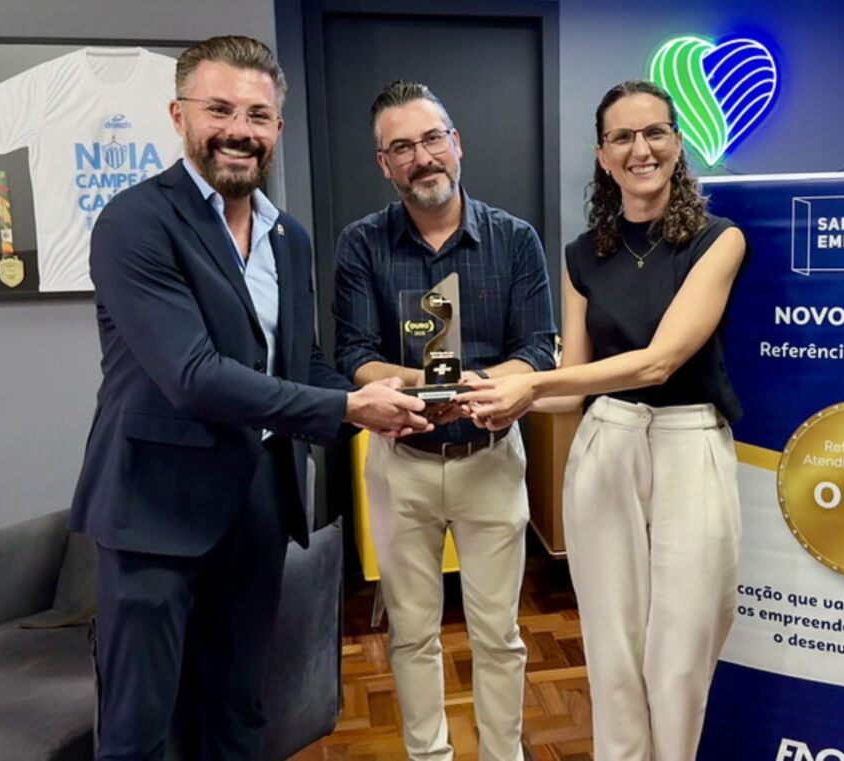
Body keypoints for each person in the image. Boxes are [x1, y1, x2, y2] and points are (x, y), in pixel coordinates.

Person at [68, 36, 430, 760]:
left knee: (240, 709)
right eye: (220, 109)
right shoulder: (134, 223)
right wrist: (346, 410)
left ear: (278, 128)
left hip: (259, 501)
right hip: (155, 512)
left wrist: (388, 397)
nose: (239, 130)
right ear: (179, 115)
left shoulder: (288, 237)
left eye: (258, 115)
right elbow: (193, 375)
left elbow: (303, 363)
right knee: (140, 729)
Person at [456, 80, 748, 760]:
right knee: (612, 651)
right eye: (622, 137)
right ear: (602, 155)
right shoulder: (583, 254)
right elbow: (570, 389)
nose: (640, 149)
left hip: (690, 445)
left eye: (654, 133)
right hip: (605, 445)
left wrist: (532, 383)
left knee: (681, 650)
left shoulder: (718, 241)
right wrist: (482, 389)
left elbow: (659, 362)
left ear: (677, 143)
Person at [332, 80, 557, 760]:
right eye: (402, 147)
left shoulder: (514, 239)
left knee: (499, 636)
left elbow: (537, 349)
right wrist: (428, 387)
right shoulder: (361, 244)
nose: (422, 157)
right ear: (384, 164)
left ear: (456, 143)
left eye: (432, 139)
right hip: (402, 465)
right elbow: (354, 354)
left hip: (491, 460)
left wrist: (479, 388)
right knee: (411, 635)